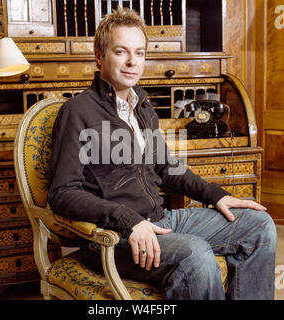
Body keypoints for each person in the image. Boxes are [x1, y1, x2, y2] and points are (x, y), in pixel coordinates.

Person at [47, 7, 276, 300]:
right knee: (196, 255)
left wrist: (216, 195)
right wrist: (128, 220)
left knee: (258, 226)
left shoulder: (142, 105)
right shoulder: (77, 111)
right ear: (99, 56)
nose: (132, 62)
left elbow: (166, 167)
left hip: (159, 221)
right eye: (121, 52)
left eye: (140, 53)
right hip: (112, 238)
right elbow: (62, 193)